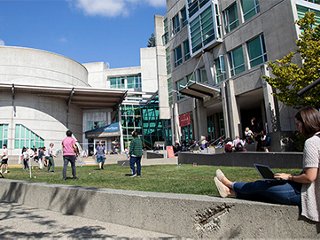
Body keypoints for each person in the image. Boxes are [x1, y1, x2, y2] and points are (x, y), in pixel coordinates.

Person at [214, 107, 320, 222]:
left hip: (306, 194)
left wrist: (290, 177)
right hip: (306, 190)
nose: (297, 128)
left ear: (306, 123)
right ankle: (232, 192)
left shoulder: (312, 142)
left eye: (298, 124)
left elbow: (310, 177)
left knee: (263, 186)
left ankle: (230, 184)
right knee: (267, 191)